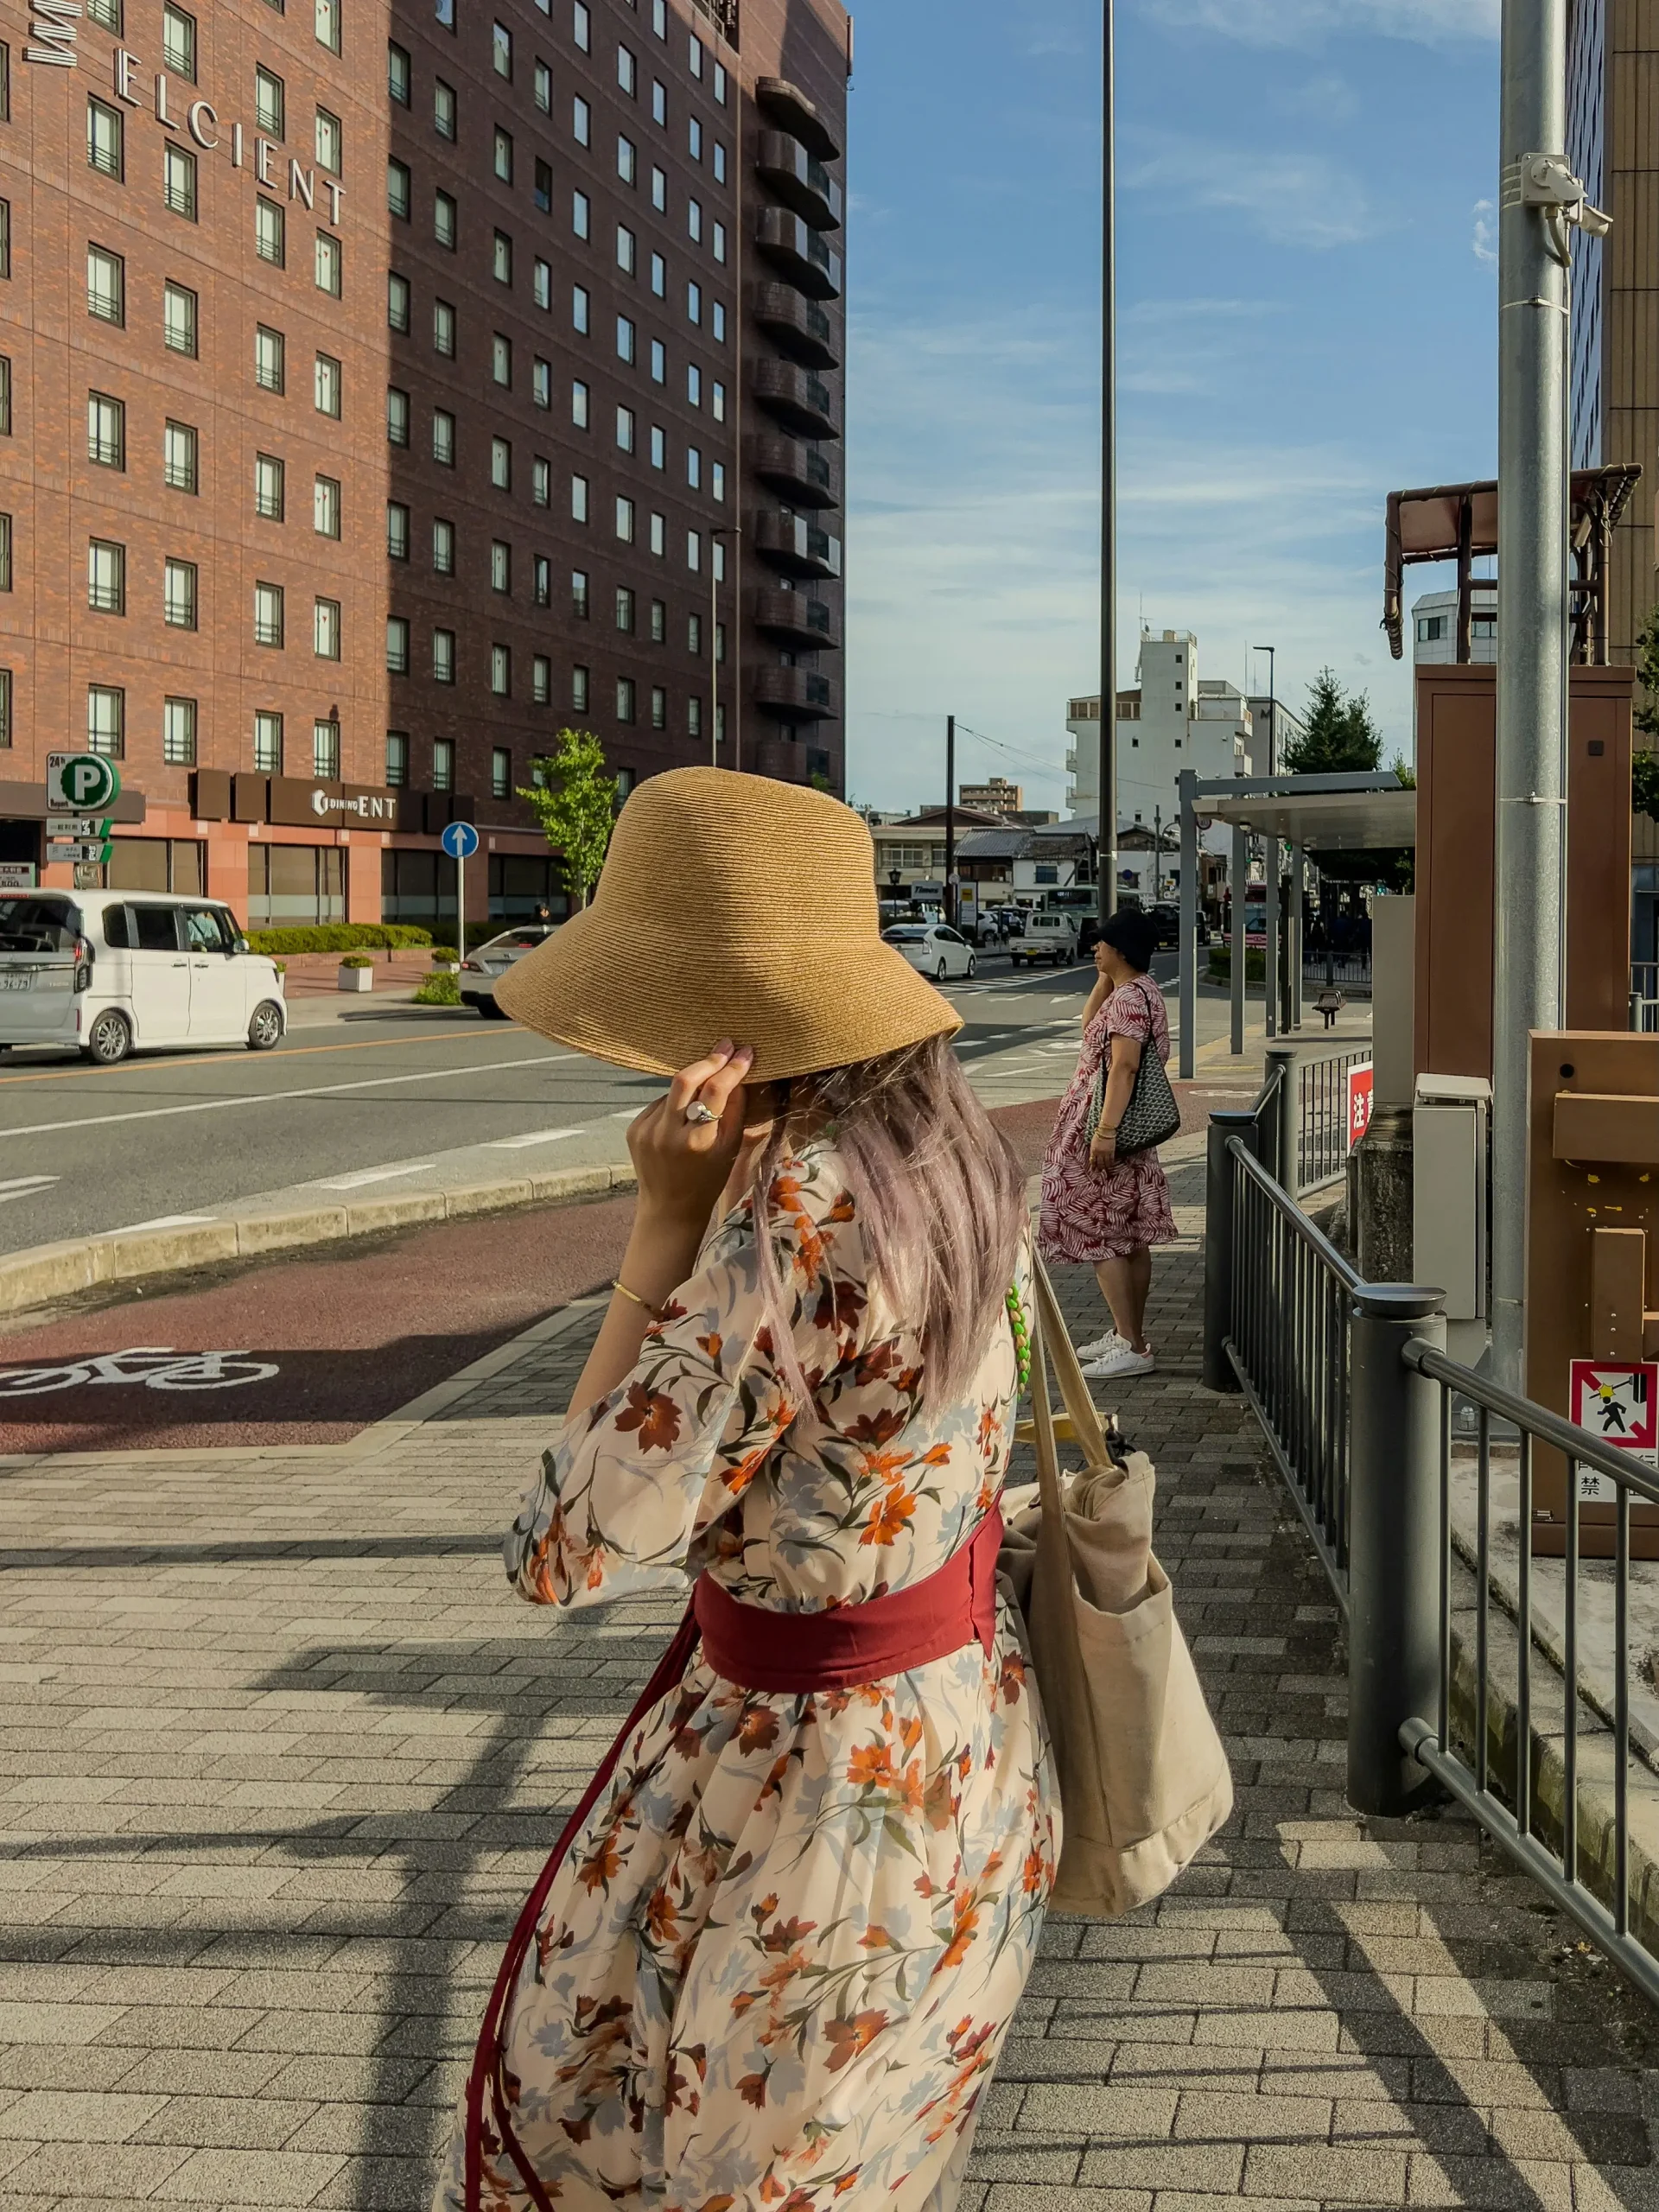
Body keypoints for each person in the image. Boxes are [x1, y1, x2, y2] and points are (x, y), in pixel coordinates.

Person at [435, 766, 1059, 2212]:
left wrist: (660, 1225)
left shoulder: (792, 1208)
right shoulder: (963, 1163)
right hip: (959, 1744)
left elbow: (561, 1545)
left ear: (729, 1018)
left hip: (801, 1787)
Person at [1036, 906, 1176, 1380]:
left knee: (1102, 1233)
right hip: (1127, 1135)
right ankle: (1127, 1335)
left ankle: (1133, 1345)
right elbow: (1088, 1024)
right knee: (1130, 1234)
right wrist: (1106, 977)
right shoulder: (1137, 992)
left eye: (1102, 943)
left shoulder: (1129, 1000)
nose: (1094, 948)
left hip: (1108, 1131)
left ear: (1121, 948)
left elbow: (1124, 1066)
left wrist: (1105, 1133)